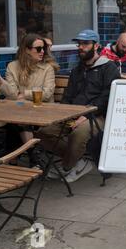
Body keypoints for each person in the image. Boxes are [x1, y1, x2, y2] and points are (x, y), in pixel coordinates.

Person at [36, 29, 121, 183]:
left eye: (86, 43)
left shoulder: (109, 68)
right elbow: (67, 96)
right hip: (73, 115)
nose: (81, 47)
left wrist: (85, 116)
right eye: (79, 44)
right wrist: (63, 115)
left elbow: (106, 98)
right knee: (43, 132)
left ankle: (67, 167)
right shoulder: (77, 70)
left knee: (79, 133)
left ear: (96, 46)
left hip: (98, 116)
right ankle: (80, 161)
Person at [0, 33, 57, 165]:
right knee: (4, 121)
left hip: (42, 111)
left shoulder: (47, 68)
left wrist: (24, 94)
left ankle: (16, 159)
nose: (42, 52)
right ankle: (25, 158)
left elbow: (47, 94)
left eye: (44, 48)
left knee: (16, 120)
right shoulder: (12, 66)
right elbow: (12, 94)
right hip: (18, 111)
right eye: (38, 49)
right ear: (26, 50)